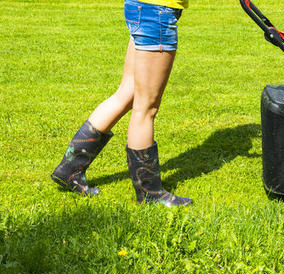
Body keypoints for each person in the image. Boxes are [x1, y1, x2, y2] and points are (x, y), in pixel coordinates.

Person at [51, 0, 192, 207]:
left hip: (142, 8)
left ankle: (69, 170)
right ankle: (150, 193)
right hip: (157, 11)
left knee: (128, 92)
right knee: (146, 107)